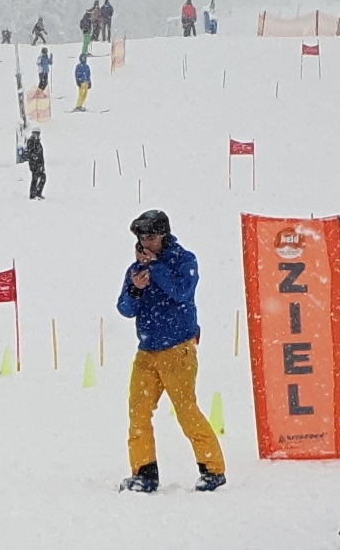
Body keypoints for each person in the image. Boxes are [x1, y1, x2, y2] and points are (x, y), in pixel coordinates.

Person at [117, 210, 226, 493]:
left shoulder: (184, 261)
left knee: (186, 411)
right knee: (138, 413)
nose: (146, 242)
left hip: (178, 350)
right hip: (147, 351)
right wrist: (136, 290)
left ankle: (213, 469)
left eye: (151, 237)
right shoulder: (136, 269)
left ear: (163, 235)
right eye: (142, 237)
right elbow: (125, 309)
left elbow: (181, 291)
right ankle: (144, 473)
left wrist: (156, 268)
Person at [25, 127, 46, 200]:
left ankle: (37, 193)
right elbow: (29, 153)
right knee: (36, 178)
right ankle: (34, 194)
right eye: (35, 133)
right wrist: (34, 158)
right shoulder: (31, 142)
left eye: (37, 133)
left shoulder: (37, 142)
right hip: (34, 163)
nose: (36, 135)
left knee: (40, 178)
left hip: (39, 163)